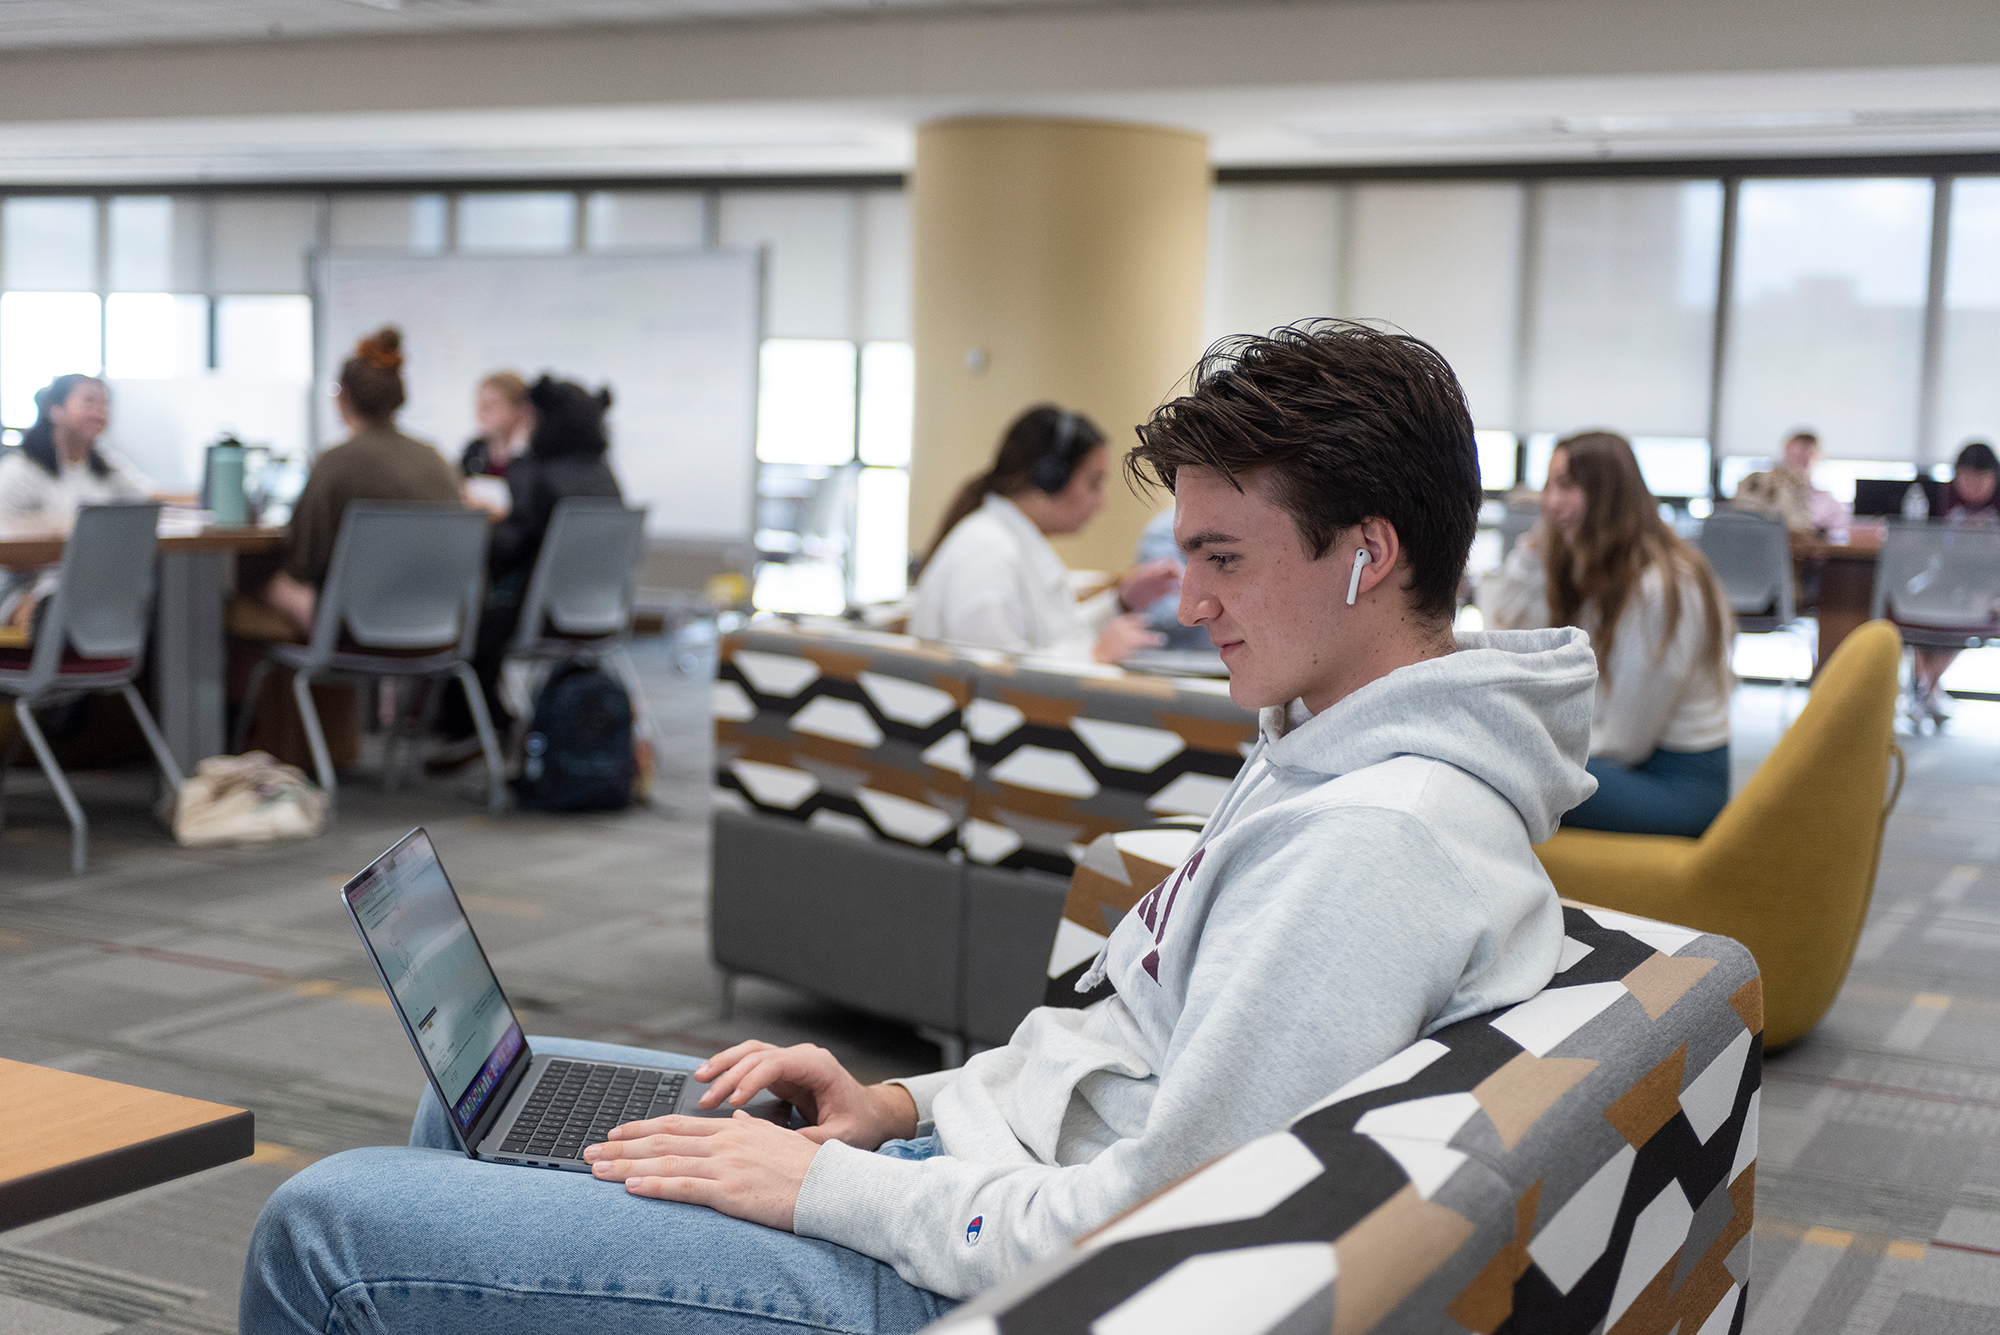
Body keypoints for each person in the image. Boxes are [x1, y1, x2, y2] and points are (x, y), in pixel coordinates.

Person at [240, 320, 1599, 1335]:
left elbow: (1154, 1227)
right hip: (959, 1177)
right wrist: (894, 1101)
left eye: (1222, 556)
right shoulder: (1319, 749)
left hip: (978, 1275)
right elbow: (1111, 1055)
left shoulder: (1369, 847)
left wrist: (826, 1186)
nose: (1188, 598)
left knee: (323, 1227)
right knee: (461, 1105)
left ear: (1366, 553)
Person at [1489, 430, 1734, 838]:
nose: (1549, 502)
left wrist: (1536, 748)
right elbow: (1512, 635)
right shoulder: (1602, 568)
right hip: (1632, 764)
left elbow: (1625, 743)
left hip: (1676, 785)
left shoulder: (1662, 587)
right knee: (1495, 757)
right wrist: (1535, 553)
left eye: (1566, 486)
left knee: (1497, 767)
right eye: (1548, 485)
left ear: (1608, 495)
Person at [434, 375, 622, 762]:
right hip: (598, 614)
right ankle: (491, 728)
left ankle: (479, 729)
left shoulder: (542, 477)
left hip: (542, 615)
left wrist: (489, 522)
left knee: (469, 627)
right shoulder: (606, 478)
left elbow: (507, 550)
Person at [907, 405, 1179, 663]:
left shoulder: (1006, 541)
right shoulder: (987, 553)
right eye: (1093, 484)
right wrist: (1095, 656)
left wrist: (1121, 602)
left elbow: (1051, 636)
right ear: (1050, 477)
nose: (1100, 503)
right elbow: (995, 681)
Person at [258, 327, 462, 638]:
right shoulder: (436, 459)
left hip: (354, 626)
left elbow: (303, 562)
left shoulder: (335, 462)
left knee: (267, 586)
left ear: (342, 397)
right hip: (439, 624)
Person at [0, 374, 154, 633]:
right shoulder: (19, 470)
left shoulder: (106, 466)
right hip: (22, 582)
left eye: (104, 404)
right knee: (55, 593)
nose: (99, 411)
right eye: (89, 401)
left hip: (83, 581)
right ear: (55, 409)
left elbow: (151, 496)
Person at [1908, 439, 2000, 725]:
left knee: (1968, 613)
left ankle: (1925, 689)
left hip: (1989, 586)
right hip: (1945, 579)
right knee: (1917, 609)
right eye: (1966, 478)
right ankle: (1929, 690)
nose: (1973, 486)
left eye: (1981, 479)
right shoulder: (1936, 497)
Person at [1733, 429, 1850, 534]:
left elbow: (1842, 537)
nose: (1800, 461)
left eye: (1808, 454)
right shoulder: (1762, 485)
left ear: (1819, 456)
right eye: (1795, 455)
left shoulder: (1829, 502)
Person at [461, 371, 533, 481]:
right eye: (481, 403)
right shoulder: (473, 451)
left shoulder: (532, 456)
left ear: (518, 410)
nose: (483, 410)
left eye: (493, 403)